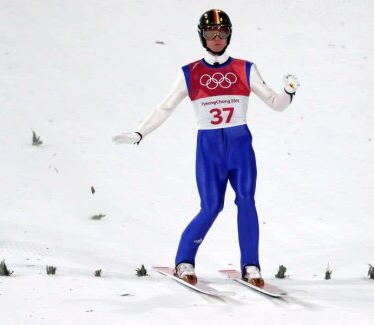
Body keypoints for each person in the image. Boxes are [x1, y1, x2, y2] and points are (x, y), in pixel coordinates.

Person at [113, 9, 299, 287]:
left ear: (229, 35)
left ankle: (251, 266)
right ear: (201, 35)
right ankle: (184, 260)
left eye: (221, 33)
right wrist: (141, 132)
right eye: (210, 33)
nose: (216, 38)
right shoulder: (190, 72)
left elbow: (276, 104)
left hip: (240, 146)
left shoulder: (245, 68)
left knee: (247, 200)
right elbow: (165, 107)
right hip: (209, 148)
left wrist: (288, 91)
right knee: (211, 206)